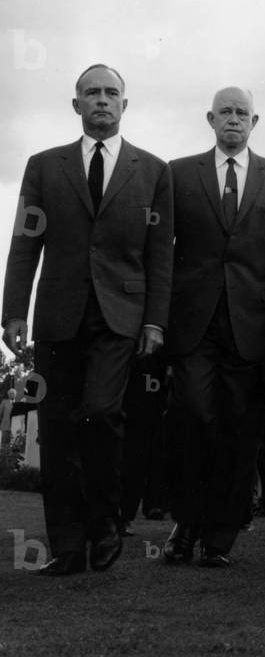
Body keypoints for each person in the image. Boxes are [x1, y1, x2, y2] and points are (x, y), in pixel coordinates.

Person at [1, 64, 173, 575]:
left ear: (125, 105)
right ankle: (69, 547)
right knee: (56, 429)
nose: (102, 100)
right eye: (91, 93)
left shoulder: (153, 171)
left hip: (122, 315)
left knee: (101, 413)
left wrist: (156, 322)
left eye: (111, 93)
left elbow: (160, 254)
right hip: (58, 314)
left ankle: (106, 523)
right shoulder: (43, 166)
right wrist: (12, 314)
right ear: (76, 105)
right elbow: (25, 243)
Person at [162, 86, 265, 568]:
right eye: (226, 112)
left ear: (255, 121)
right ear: (210, 118)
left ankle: (218, 539)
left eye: (243, 113)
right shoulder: (177, 174)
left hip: (252, 327)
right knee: (193, 418)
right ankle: (186, 524)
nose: (234, 119)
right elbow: (161, 251)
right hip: (193, 325)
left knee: (239, 432)